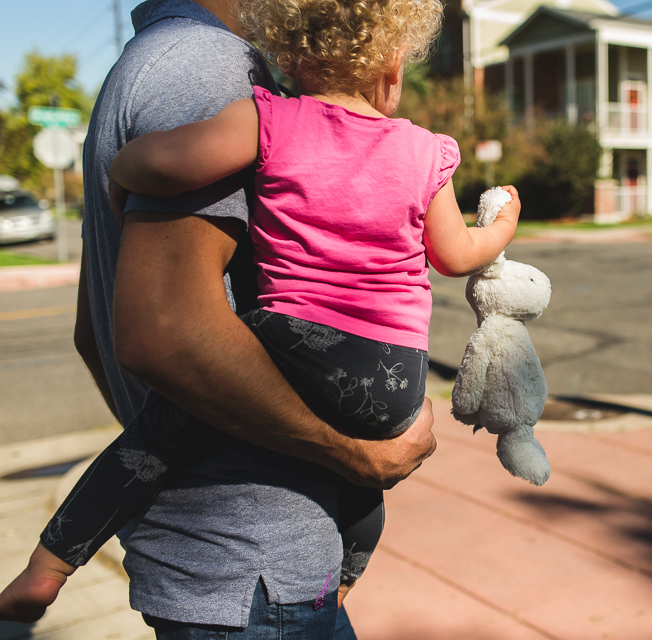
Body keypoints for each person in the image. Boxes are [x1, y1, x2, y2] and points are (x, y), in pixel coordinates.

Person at [0, 0, 522, 636]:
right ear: (392, 64)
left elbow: (159, 181)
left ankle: (50, 564)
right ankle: (351, 568)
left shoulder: (267, 117)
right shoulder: (421, 150)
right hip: (395, 381)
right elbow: (454, 254)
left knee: (159, 430)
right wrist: (501, 227)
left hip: (299, 362)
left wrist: (119, 171)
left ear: (293, 52)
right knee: (366, 486)